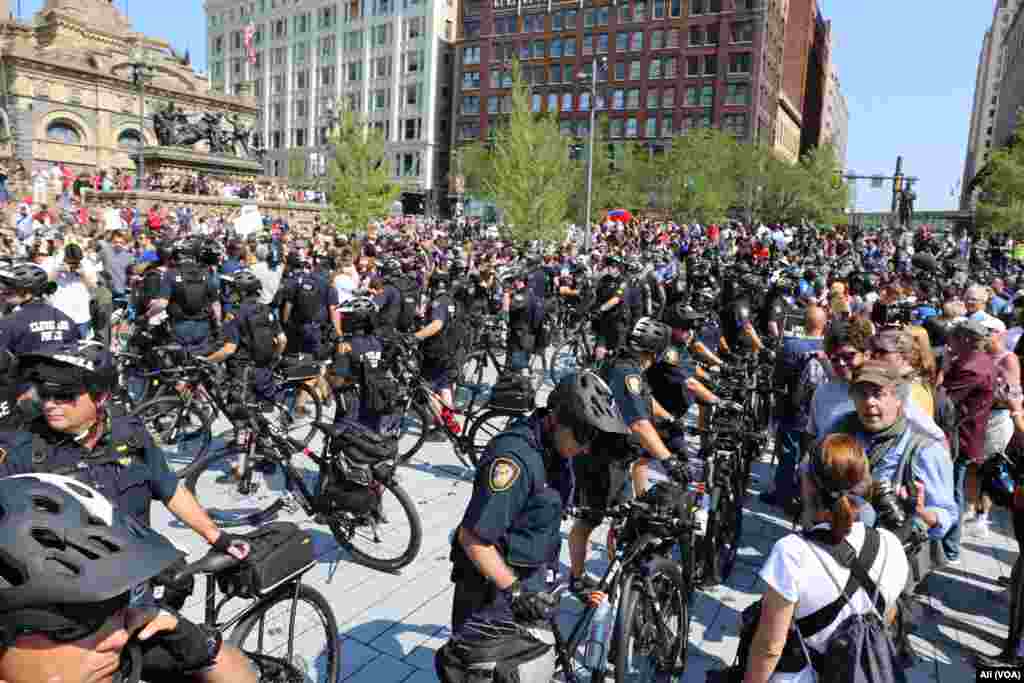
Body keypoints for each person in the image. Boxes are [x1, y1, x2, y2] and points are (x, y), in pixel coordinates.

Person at [0, 343, 258, 682]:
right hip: (71, 617)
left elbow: (169, 488)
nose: (50, 403)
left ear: (101, 397)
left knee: (225, 667)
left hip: (138, 600)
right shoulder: (20, 451)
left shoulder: (130, 433)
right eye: (45, 393)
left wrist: (217, 535)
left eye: (64, 395)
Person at [447, 371, 629, 641]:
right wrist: (516, 592)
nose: (587, 447)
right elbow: (472, 537)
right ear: (558, 419)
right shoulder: (515, 461)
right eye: (583, 435)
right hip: (494, 591)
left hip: (533, 576)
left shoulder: (557, 447)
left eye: (593, 436)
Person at [744, 436, 910, 683]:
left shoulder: (791, 552)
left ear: (809, 485)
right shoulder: (890, 544)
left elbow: (770, 647)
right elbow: (888, 615)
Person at [568, 317, 688, 595]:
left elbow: (643, 400)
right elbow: (638, 423)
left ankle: (617, 578)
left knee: (623, 519)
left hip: (615, 458)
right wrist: (667, 459)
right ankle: (577, 578)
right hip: (601, 460)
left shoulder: (625, 364)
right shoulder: (628, 373)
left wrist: (668, 418)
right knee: (590, 520)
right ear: (655, 352)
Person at [942, 319, 996, 564]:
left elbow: (944, 400)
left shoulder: (971, 366)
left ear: (964, 340)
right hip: (965, 435)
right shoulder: (978, 361)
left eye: (952, 338)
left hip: (960, 437)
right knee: (954, 488)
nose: (948, 342)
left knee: (953, 491)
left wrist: (942, 369)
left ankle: (950, 548)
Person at [203, 270, 287, 403]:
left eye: (233, 289)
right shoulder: (266, 310)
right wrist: (273, 359)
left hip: (243, 374)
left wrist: (207, 361)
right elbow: (282, 340)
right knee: (258, 412)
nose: (230, 292)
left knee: (239, 416)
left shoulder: (235, 314)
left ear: (242, 292)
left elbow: (229, 349)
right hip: (264, 370)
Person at [0, 262, 79, 355]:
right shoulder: (67, 320)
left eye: (9, 287)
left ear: (26, 290)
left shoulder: (9, 323)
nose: (2, 291)